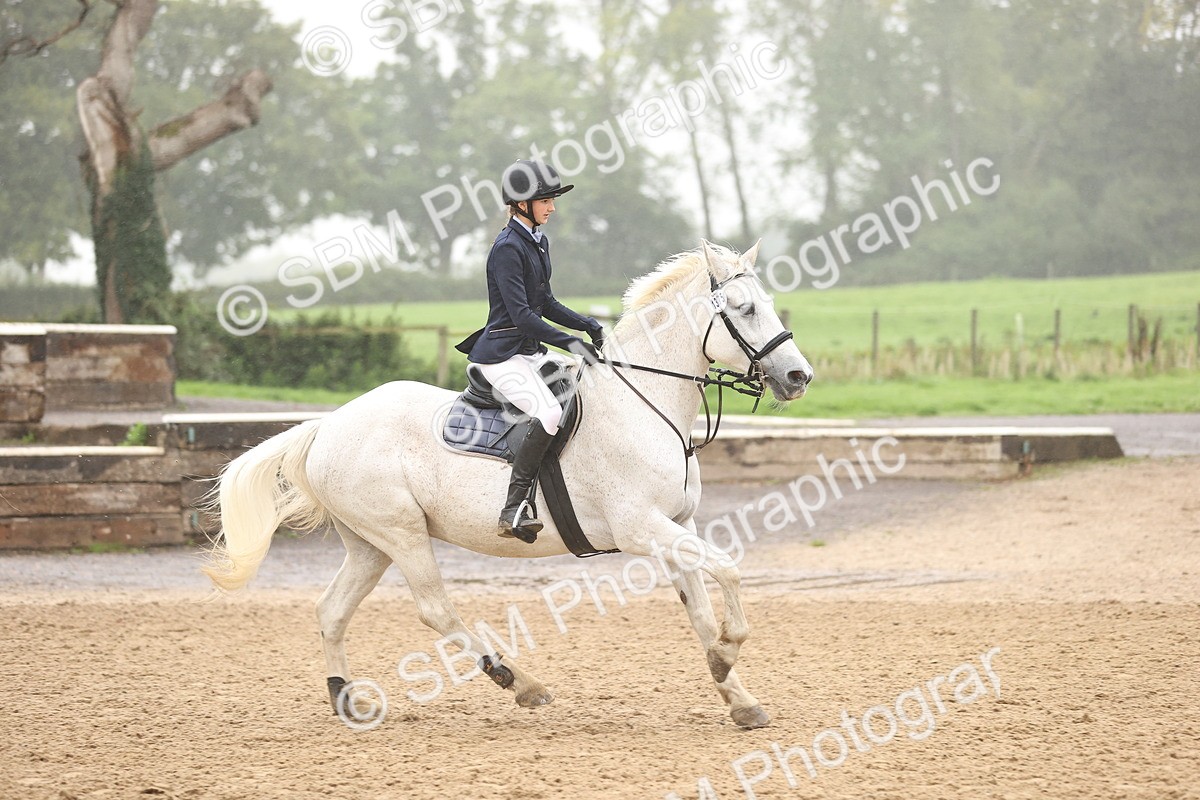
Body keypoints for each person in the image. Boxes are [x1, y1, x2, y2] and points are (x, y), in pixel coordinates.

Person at [455, 159, 605, 544]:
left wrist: (586, 324)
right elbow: (522, 316)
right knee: (551, 411)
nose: (552, 207)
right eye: (545, 200)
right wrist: (573, 344)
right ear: (522, 203)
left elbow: (546, 302)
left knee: (584, 387)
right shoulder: (507, 248)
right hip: (502, 355)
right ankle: (514, 506)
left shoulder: (537, 241)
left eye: (552, 199)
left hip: (530, 351)